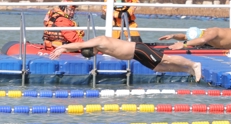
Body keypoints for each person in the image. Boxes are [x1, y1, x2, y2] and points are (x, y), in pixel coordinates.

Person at [49, 36, 201, 81]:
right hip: (135, 55)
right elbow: (80, 48)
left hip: (138, 49)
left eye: (93, 54)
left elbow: (80, 44)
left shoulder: (98, 41)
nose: (96, 54)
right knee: (159, 68)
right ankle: (187, 70)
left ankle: (194, 64)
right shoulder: (96, 47)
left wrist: (63, 48)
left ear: (92, 49)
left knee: (165, 59)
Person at [159, 27, 231, 81]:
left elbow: (202, 40)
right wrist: (173, 36)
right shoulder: (201, 34)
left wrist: (184, 45)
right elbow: (185, 36)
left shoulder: (211, 33)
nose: (197, 45)